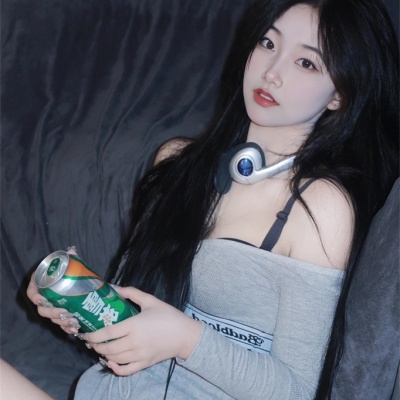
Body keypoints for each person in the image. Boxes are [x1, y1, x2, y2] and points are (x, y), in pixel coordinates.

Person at [26, 0, 399, 398]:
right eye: (268, 43)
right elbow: (135, 325)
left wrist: (186, 339)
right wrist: (81, 306)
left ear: (339, 95)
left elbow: (297, 390)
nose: (272, 73)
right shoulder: (177, 163)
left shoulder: (321, 207)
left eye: (306, 63)